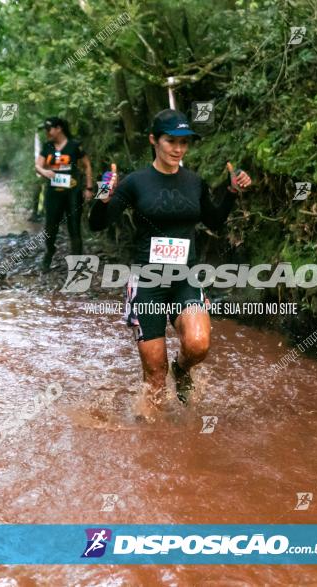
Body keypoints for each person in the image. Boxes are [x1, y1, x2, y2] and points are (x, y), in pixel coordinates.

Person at [89, 109, 251, 410]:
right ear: (154, 140)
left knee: (198, 344)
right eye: (170, 141)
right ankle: (152, 444)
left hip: (185, 279)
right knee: (155, 375)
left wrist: (230, 192)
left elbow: (214, 221)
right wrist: (103, 197)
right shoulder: (136, 183)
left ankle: (183, 369)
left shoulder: (194, 182)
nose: (178, 149)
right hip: (147, 282)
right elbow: (97, 224)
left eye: (184, 142)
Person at [34, 116, 94, 270]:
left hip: (72, 192)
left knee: (74, 226)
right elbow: (38, 166)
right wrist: (45, 172)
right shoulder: (47, 147)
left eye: (49, 129)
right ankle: (49, 252)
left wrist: (88, 188)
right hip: (53, 193)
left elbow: (87, 165)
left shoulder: (74, 145)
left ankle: (77, 262)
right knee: (50, 226)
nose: (47, 132)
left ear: (59, 128)